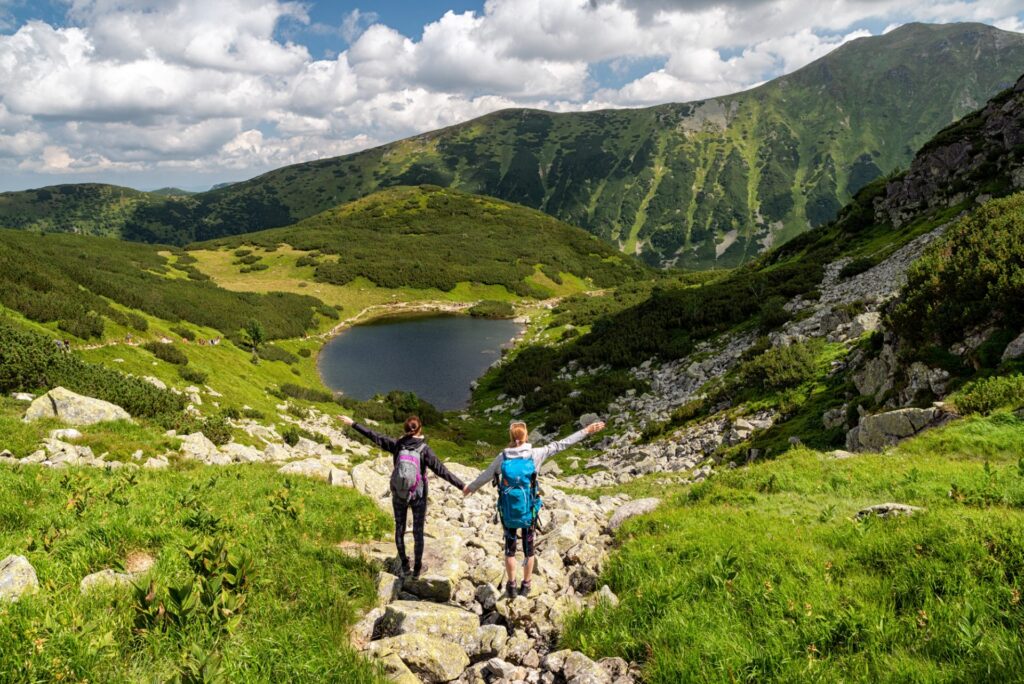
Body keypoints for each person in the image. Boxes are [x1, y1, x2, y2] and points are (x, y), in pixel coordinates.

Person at [464, 418, 606, 598]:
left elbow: (486, 475)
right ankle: (526, 584)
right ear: (526, 436)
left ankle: (511, 585)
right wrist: (587, 430)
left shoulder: (503, 457)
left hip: (508, 512)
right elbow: (561, 445)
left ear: (511, 437)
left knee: (510, 550)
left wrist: (470, 488)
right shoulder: (536, 454)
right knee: (528, 549)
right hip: (529, 511)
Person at [338, 414, 465, 579]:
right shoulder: (424, 449)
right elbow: (442, 471)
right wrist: (462, 486)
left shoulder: (397, 445)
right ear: (420, 429)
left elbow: (374, 436)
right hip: (418, 494)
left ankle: (405, 566)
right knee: (418, 532)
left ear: (405, 429)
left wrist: (353, 423)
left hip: (399, 493)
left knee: (400, 529)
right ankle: (417, 570)